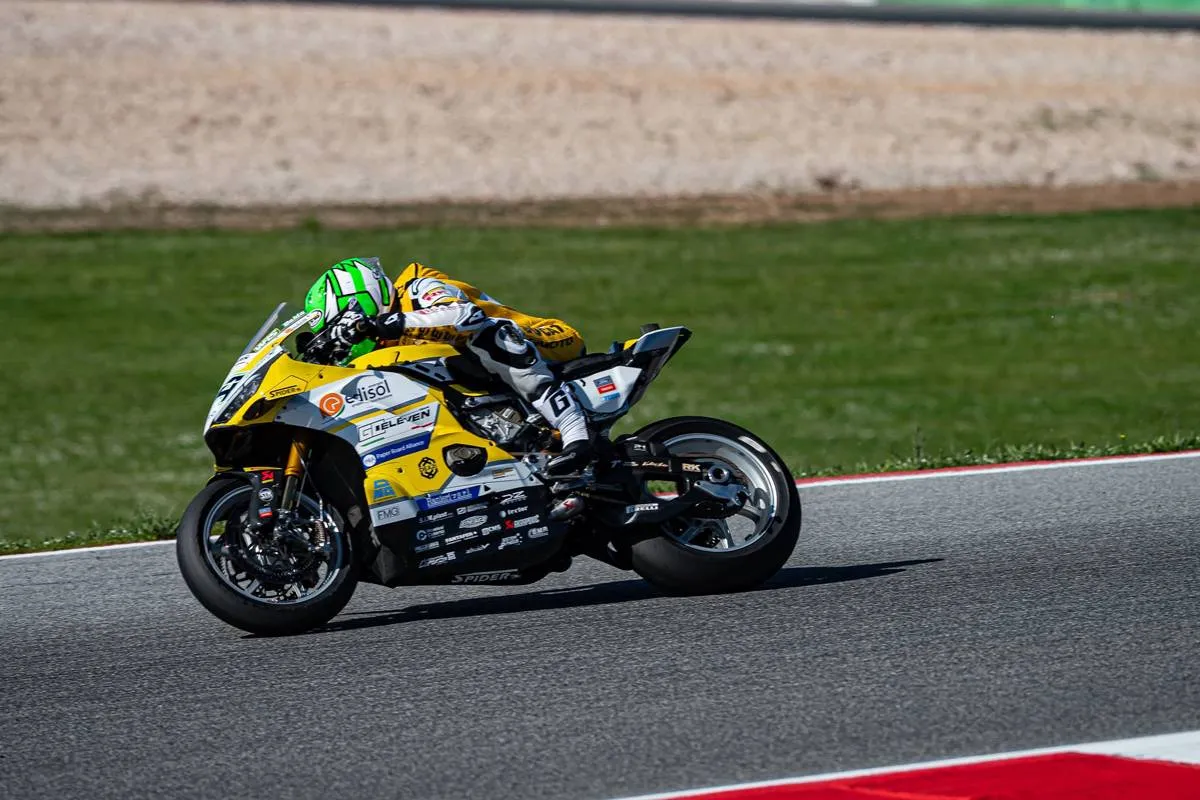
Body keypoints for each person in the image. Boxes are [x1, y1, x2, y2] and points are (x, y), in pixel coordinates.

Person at [303, 257, 592, 477]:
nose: (347, 338)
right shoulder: (384, 347)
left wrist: (384, 324)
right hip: (486, 381)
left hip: (547, 338)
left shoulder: (417, 287)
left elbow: (465, 315)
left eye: (342, 326)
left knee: (493, 334)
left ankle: (574, 431)